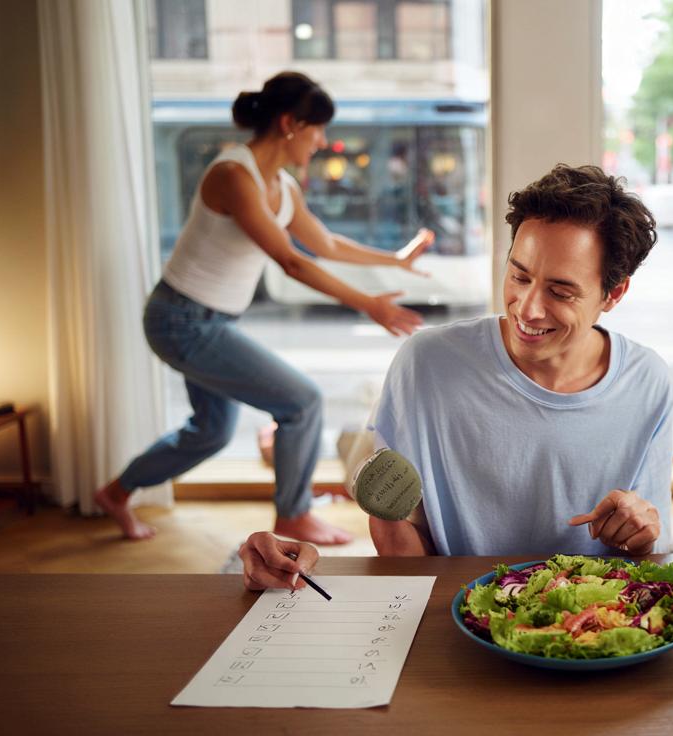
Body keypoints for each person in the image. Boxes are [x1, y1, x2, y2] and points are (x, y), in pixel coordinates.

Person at [95, 71, 435, 544]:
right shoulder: (234, 175)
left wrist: (395, 259)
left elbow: (324, 243)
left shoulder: (283, 186)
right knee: (301, 401)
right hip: (181, 320)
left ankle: (115, 493)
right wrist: (367, 304)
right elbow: (291, 261)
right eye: (317, 129)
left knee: (209, 433)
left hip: (207, 320)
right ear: (290, 123)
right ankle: (293, 516)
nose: (321, 142)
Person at [368, 164, 673, 557]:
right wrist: (384, 518)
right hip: (460, 609)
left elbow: (648, 548)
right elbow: (407, 543)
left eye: (561, 292)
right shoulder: (426, 365)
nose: (528, 310)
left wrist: (642, 531)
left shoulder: (646, 382)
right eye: (519, 277)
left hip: (594, 612)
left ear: (613, 294)